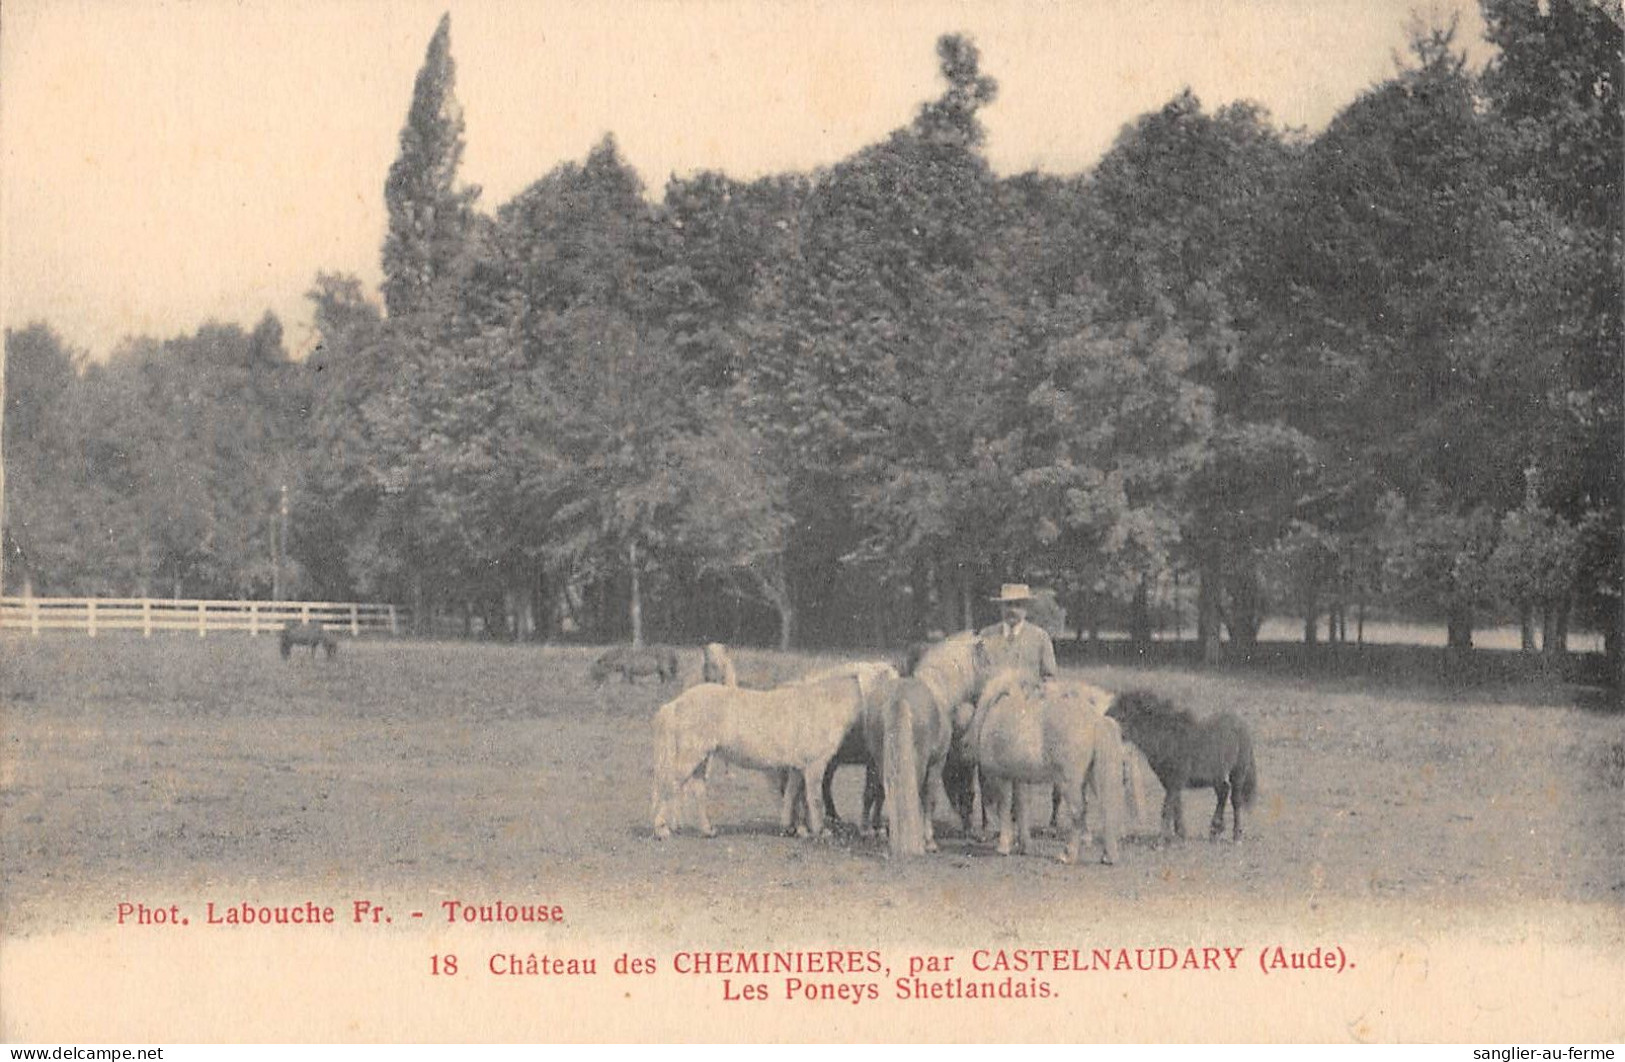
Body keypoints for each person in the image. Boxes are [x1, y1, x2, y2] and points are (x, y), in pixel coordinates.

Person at [976, 583, 1058, 690]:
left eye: (1018, 605)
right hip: (994, 703)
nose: (1012, 610)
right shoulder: (986, 635)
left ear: (1026, 608)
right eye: (1008, 605)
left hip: (1029, 703)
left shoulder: (1040, 637)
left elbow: (1049, 679)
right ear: (1001, 607)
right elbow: (977, 676)